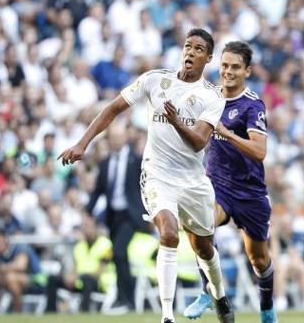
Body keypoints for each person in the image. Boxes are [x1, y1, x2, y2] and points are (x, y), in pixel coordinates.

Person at [59, 28, 233, 323]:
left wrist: (176, 121)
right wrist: (82, 143)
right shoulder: (155, 80)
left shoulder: (212, 96)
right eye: (188, 46)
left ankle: (219, 296)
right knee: (167, 232)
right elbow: (113, 108)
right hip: (157, 173)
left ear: (209, 58)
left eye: (198, 49)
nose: (190, 52)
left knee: (204, 247)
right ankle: (167, 316)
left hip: (192, 180)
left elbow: (199, 142)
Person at [184, 41, 277, 323]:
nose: (228, 71)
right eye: (225, 65)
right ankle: (209, 291)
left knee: (258, 260)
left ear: (247, 71)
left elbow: (260, 151)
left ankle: (267, 309)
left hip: (250, 192)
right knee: (201, 225)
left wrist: (227, 133)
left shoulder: (252, 105)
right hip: (217, 184)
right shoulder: (208, 97)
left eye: (235, 67)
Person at [86, 121, 146, 310]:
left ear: (125, 138)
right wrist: (87, 212)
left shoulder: (136, 160)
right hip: (113, 217)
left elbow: (145, 186)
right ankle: (124, 298)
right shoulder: (105, 163)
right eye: (113, 138)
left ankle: (125, 299)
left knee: (120, 252)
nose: (116, 141)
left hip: (130, 215)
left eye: (119, 137)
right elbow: (98, 191)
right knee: (119, 256)